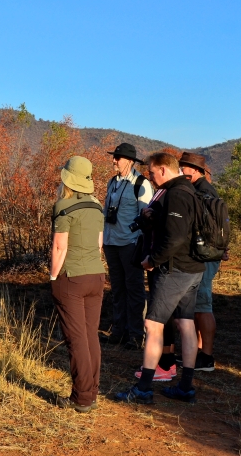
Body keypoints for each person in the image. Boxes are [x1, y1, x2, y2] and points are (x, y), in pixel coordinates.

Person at [115, 152, 204, 404]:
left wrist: (153, 260)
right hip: (193, 268)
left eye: (153, 173)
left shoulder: (175, 194)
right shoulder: (191, 191)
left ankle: (143, 389)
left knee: (153, 325)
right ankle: (186, 386)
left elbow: (174, 238)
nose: (151, 179)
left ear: (164, 169)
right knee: (185, 324)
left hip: (175, 270)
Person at [50, 156, 105, 413]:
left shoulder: (63, 205)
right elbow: (99, 245)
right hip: (96, 275)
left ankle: (82, 397)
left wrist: (52, 277)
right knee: (90, 334)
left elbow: (60, 247)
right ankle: (91, 392)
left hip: (72, 277)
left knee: (76, 339)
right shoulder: (97, 207)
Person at [101, 143, 153, 349]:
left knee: (134, 289)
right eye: (114, 157)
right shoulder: (112, 182)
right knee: (117, 289)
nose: (114, 160)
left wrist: (143, 247)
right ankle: (118, 332)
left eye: (118, 158)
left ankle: (136, 335)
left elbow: (147, 218)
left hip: (130, 244)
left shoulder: (141, 184)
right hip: (111, 242)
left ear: (130, 161)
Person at [179, 152, 220, 372]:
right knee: (197, 306)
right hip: (208, 254)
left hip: (205, 256)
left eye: (183, 167)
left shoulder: (202, 193)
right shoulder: (204, 190)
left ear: (194, 170)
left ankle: (207, 357)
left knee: (203, 306)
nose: (181, 171)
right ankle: (197, 353)